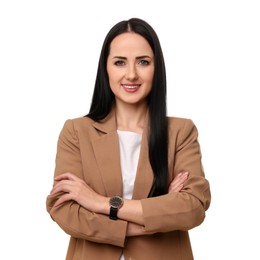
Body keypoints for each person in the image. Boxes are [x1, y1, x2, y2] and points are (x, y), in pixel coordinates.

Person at [46, 17, 211, 260]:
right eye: (120, 62)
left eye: (143, 62)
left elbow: (192, 208)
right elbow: (65, 210)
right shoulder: (76, 131)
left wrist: (101, 203)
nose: (131, 74)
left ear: (157, 68)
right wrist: (159, 211)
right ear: (106, 68)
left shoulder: (181, 131)